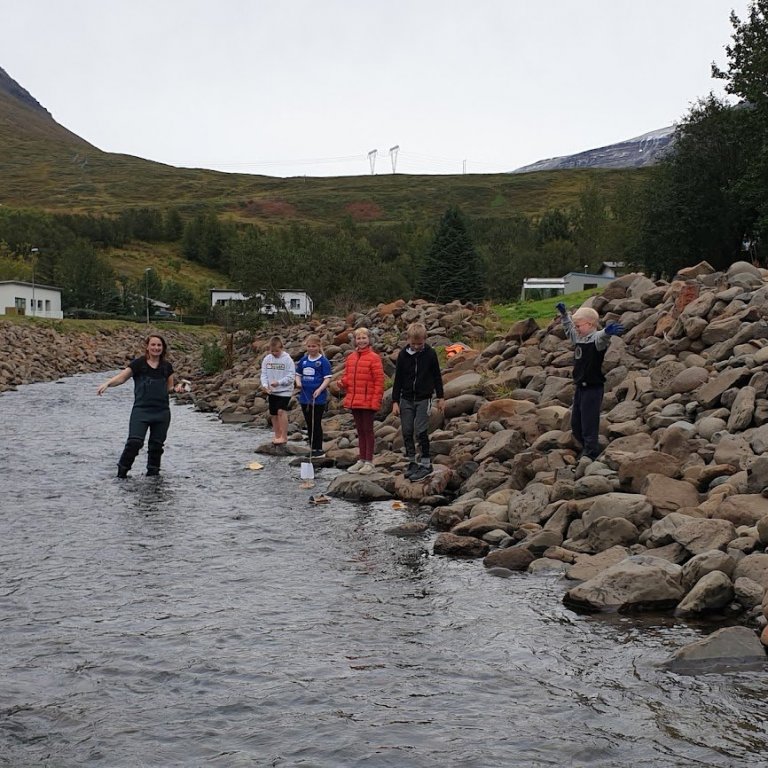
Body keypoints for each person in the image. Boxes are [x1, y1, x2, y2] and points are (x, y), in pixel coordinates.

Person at [97, 334, 183, 478]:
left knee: (156, 446)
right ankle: (121, 474)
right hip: (141, 411)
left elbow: (170, 388)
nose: (156, 348)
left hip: (161, 412)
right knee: (134, 442)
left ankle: (153, 476)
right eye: (153, 345)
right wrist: (107, 384)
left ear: (163, 348)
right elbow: (122, 377)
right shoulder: (139, 364)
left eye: (159, 345)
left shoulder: (167, 367)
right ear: (147, 347)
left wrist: (177, 389)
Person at [556, 302, 624, 461]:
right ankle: (583, 446)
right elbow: (569, 330)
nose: (576, 328)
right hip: (580, 387)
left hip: (593, 388)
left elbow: (602, 337)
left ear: (590, 324)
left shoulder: (596, 340)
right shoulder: (579, 338)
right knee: (576, 422)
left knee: (589, 421)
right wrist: (565, 315)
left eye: (579, 325)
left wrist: (607, 331)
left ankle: (591, 451)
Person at [392, 322, 445, 481]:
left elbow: (437, 376)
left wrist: (441, 397)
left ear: (425, 339)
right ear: (408, 339)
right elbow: (398, 379)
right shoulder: (403, 355)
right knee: (407, 431)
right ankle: (411, 462)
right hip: (406, 398)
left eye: (419, 344)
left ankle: (426, 464)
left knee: (421, 431)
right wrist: (395, 401)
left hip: (424, 398)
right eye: (413, 344)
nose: (416, 347)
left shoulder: (430, 354)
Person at [339, 327, 384, 475]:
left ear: (369, 339)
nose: (361, 341)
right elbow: (348, 376)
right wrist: (342, 383)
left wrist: (376, 401)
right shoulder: (351, 357)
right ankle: (362, 460)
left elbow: (379, 381)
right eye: (359, 338)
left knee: (368, 430)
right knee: (360, 430)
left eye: (364, 338)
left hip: (368, 400)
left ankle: (369, 462)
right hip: (355, 399)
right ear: (355, 341)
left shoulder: (374, 357)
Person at [295, 334, 332, 458]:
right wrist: (298, 383)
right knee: (308, 422)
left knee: (316, 422)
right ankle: (311, 447)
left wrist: (320, 389)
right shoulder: (304, 360)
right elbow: (298, 374)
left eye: (314, 346)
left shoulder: (323, 361)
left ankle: (318, 448)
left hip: (318, 397)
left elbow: (327, 378)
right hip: (305, 397)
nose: (311, 348)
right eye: (309, 346)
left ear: (319, 346)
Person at [259, 335, 296, 446]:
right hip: (272, 391)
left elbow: (291, 376)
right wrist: (265, 385)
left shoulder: (287, 359)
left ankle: (284, 437)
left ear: (282, 348)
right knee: (273, 414)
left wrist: (279, 382)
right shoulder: (267, 359)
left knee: (281, 411)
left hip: (285, 390)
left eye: (277, 351)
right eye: (272, 351)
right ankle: (277, 435)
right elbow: (264, 374)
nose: (274, 353)